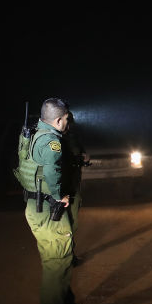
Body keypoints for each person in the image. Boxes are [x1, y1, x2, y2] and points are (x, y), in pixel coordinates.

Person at [14, 97, 92, 304]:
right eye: (66, 119)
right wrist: (60, 196)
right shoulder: (51, 142)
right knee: (57, 264)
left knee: (59, 262)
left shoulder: (36, 133)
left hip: (37, 208)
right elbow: (52, 171)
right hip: (48, 210)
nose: (68, 122)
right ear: (58, 120)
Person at [62, 110, 88, 267]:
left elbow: (81, 152)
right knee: (63, 225)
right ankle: (64, 257)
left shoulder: (71, 137)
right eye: (66, 121)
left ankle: (70, 255)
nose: (68, 125)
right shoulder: (53, 139)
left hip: (73, 186)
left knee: (72, 223)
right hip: (61, 189)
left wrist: (82, 157)